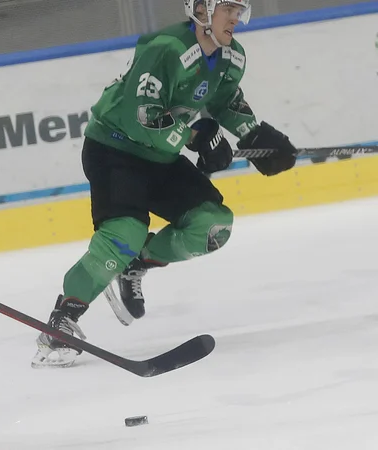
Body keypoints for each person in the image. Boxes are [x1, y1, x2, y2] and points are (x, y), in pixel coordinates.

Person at [31, 0, 298, 368]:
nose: (236, 18)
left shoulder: (232, 56)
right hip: (115, 149)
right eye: (228, 8)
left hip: (161, 157)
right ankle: (61, 320)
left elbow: (225, 101)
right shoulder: (165, 49)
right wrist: (195, 137)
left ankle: (135, 263)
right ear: (202, 9)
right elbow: (140, 117)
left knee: (213, 226)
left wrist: (257, 137)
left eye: (239, 9)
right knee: (123, 233)